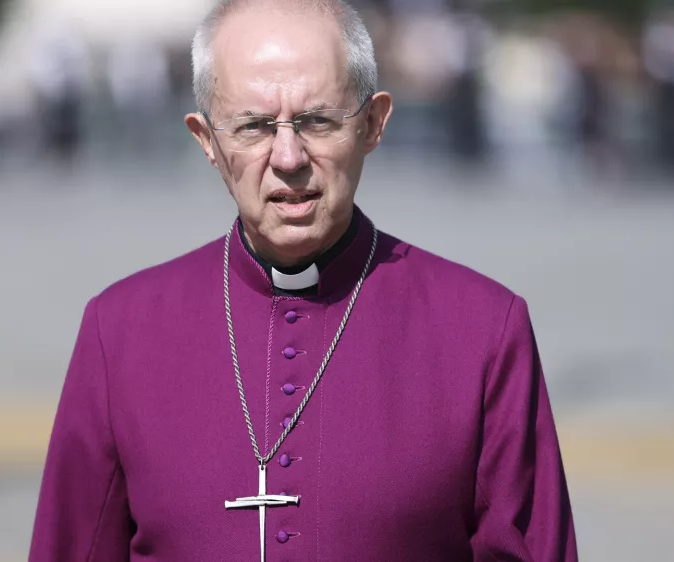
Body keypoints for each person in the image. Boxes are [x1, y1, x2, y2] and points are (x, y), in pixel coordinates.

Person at [28, 0, 577, 560]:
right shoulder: (119, 332)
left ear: (372, 124)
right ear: (207, 142)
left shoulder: (482, 330)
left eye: (317, 121)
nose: (288, 157)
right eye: (254, 126)